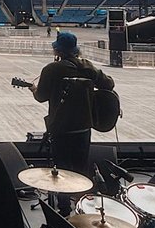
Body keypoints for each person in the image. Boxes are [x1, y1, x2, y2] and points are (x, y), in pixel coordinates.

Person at [30, 31, 115, 174]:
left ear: (57, 50)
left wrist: (33, 89)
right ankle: (79, 195)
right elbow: (109, 84)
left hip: (60, 129)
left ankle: (63, 196)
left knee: (61, 172)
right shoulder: (87, 67)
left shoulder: (51, 69)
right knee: (80, 171)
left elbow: (41, 97)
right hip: (83, 129)